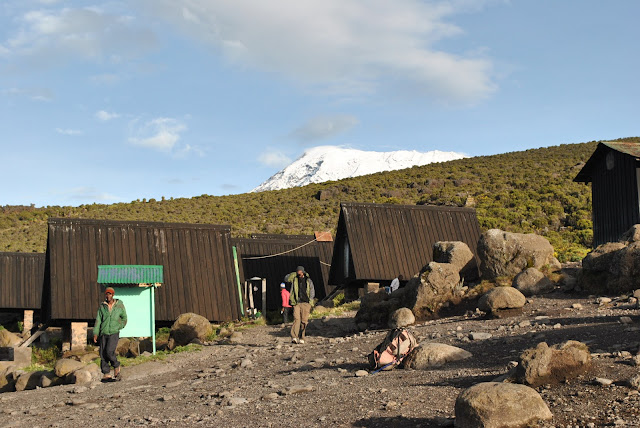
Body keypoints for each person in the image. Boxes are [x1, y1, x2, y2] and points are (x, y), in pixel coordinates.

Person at [93, 287, 127, 381]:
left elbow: (124, 318)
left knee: (109, 351)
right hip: (104, 332)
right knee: (103, 353)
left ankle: (116, 365)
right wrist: (95, 333)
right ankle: (106, 373)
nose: (108, 296)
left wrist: (119, 326)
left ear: (113, 295)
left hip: (114, 332)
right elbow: (98, 321)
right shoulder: (102, 306)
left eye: (110, 294)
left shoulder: (119, 306)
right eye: (107, 294)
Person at [284, 266, 315, 344]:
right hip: (297, 303)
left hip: (306, 303)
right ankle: (294, 337)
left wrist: (310, 302)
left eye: (300, 271)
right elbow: (286, 279)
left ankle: (302, 337)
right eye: (297, 271)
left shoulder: (308, 280)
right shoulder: (294, 279)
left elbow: (312, 291)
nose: (298, 273)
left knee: (304, 321)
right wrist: (293, 274)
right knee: (296, 319)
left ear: (303, 272)